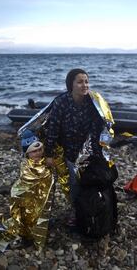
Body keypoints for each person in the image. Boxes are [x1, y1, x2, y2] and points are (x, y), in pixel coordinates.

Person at [43, 68, 107, 224]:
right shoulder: (61, 102)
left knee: (91, 180)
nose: (84, 85)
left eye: (86, 81)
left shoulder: (92, 102)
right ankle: (76, 211)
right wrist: (49, 154)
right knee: (74, 183)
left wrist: (99, 150)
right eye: (80, 82)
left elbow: (99, 126)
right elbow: (53, 128)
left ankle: (91, 208)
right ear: (70, 84)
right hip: (69, 151)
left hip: (89, 151)